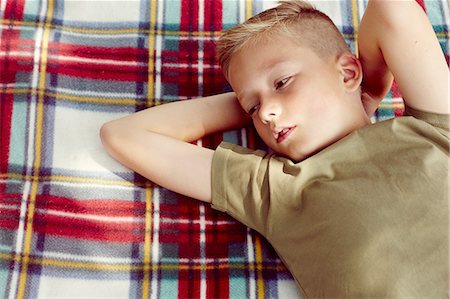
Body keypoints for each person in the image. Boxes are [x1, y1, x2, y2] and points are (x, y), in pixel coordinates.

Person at [100, 0, 449, 297]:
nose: (265, 113)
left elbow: (393, 9)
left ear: (346, 73)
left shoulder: (430, 129)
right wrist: (244, 104)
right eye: (253, 107)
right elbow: (124, 135)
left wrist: (369, 90)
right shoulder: (276, 187)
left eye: (282, 82)